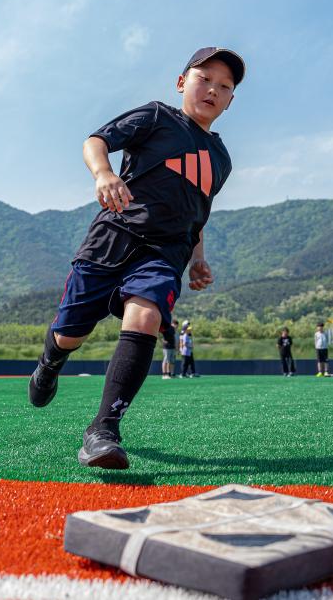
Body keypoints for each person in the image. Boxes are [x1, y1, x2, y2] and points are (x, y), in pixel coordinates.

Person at [26, 47, 245, 470]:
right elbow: (96, 141)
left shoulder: (222, 159)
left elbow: (199, 210)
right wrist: (103, 173)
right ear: (182, 82)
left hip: (165, 253)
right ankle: (50, 361)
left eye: (225, 87)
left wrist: (198, 256)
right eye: (205, 79)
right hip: (113, 238)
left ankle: (103, 430)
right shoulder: (157, 116)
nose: (213, 90)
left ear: (231, 101)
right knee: (71, 332)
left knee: (145, 315)